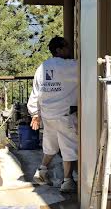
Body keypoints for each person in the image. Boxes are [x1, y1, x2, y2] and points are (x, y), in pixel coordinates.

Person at [27, 36, 79, 193]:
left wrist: (35, 114)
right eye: (66, 47)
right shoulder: (71, 66)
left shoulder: (43, 67)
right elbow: (89, 68)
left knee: (51, 145)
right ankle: (68, 181)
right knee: (69, 146)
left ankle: (42, 171)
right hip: (64, 114)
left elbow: (36, 92)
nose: (69, 50)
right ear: (59, 49)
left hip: (48, 114)